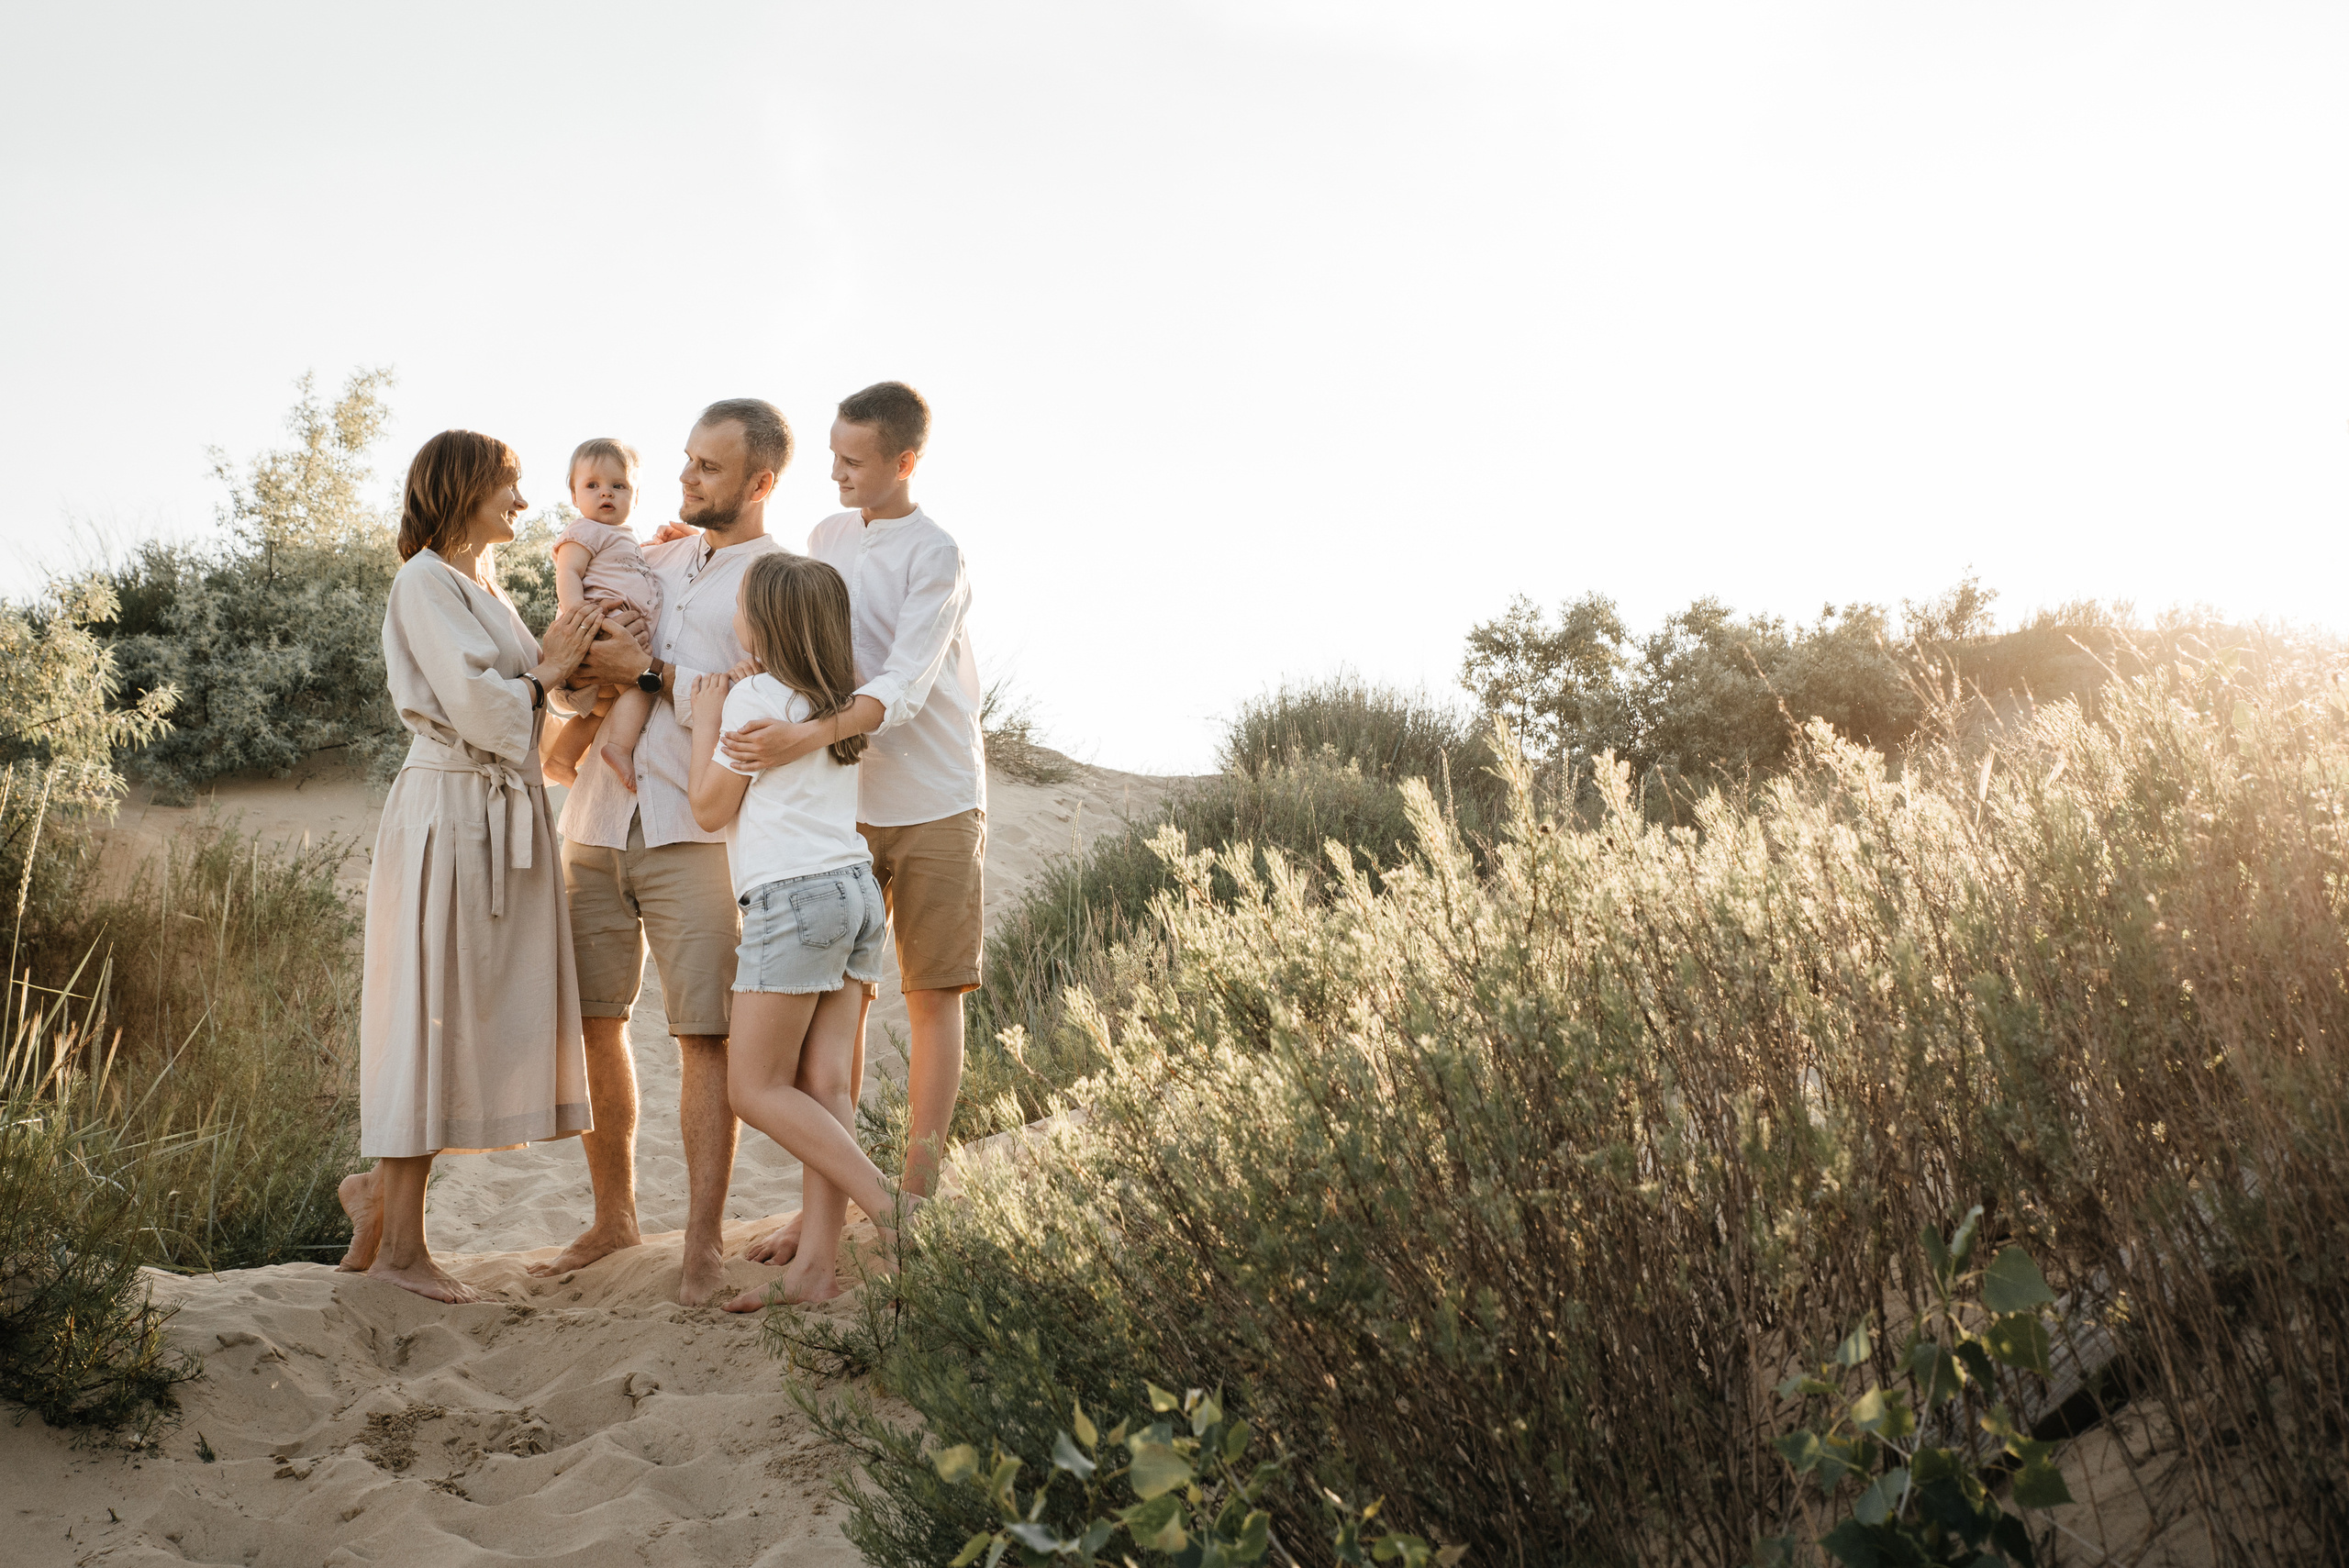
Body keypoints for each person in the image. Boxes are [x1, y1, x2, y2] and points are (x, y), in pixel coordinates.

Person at [526, 398, 792, 1307]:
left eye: (708, 468)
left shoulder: (779, 579)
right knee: (596, 1020)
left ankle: (704, 1247)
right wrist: (577, 691)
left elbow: (759, 703)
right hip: (596, 821)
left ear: (759, 483)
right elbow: (578, 673)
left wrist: (641, 676)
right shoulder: (650, 551)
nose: (685, 481)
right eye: (684, 462)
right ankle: (614, 1217)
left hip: (696, 829)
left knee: (703, 1034)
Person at [337, 429, 604, 1304]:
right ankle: (402, 1246)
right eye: (511, 486)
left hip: (496, 813)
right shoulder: (423, 580)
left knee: (470, 1011)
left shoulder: (480, 585)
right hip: (451, 813)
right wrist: (547, 676)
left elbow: (536, 694)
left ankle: (379, 1196)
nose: (523, 504)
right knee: (427, 1006)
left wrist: (578, 665)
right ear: (464, 490)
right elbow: (489, 711)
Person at [724, 382, 985, 1270]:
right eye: (831, 454)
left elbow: (906, 682)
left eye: (853, 460)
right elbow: (792, 619)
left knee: (932, 995)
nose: (833, 472)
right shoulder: (830, 539)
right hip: (845, 806)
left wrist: (808, 732)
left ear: (904, 461)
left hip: (937, 794)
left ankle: (915, 1198)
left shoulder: (937, 554)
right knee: (840, 1028)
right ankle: (827, 1218)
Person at [684, 553, 906, 1306]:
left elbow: (710, 809)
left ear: (765, 622)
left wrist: (707, 720)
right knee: (825, 1083)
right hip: (855, 892)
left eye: (743, 603)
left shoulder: (749, 697)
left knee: (754, 1086)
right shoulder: (831, 703)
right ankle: (816, 1267)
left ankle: (892, 1211)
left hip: (793, 901)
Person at [540, 439, 663, 792]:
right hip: (597, 625)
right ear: (575, 496)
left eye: (618, 486)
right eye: (592, 486)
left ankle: (561, 760)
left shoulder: (626, 539)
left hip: (610, 630)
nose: (605, 493)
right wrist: (578, 613)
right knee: (642, 683)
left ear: (635, 497)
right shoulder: (584, 530)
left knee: (602, 707)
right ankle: (619, 749)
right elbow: (568, 573)